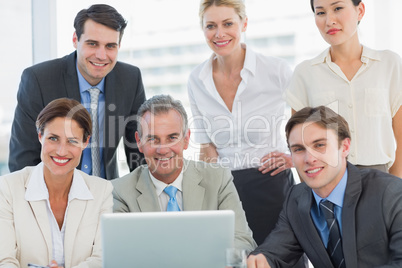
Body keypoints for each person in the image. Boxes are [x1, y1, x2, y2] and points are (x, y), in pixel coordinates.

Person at [187, 0, 296, 246]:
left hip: (273, 184)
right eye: (211, 26)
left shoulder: (275, 70)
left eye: (228, 24)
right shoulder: (197, 79)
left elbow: (309, 125)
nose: (219, 33)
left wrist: (294, 156)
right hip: (226, 189)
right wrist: (210, 201)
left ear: (243, 23)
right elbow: (207, 148)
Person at [247, 106, 402, 268]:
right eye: (298, 149)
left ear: (345, 147)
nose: (309, 158)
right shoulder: (296, 199)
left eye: (319, 145)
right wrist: (259, 260)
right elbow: (274, 252)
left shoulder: (390, 193)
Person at [9, 4, 146, 180]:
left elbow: (139, 150)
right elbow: (23, 161)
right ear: (75, 39)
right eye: (92, 44)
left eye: (110, 46)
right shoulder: (38, 80)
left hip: (107, 195)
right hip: (53, 197)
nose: (101, 55)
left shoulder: (130, 79)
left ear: (119, 45)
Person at [112, 95, 257, 253]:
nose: (163, 150)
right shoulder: (120, 192)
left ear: (186, 139)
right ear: (139, 142)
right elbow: (121, 252)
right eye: (153, 139)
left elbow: (242, 240)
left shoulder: (217, 178)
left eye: (172, 138)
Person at [285, 0, 402, 177]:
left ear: (360, 10)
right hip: (327, 179)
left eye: (338, 8)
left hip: (380, 178)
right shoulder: (305, 73)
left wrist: (394, 183)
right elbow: (301, 145)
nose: (329, 20)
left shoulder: (389, 64)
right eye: (320, 12)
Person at [0, 98, 113, 267]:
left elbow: (102, 259)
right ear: (40, 136)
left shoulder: (102, 191)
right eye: (53, 138)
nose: (61, 151)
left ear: (85, 142)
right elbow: (4, 260)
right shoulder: (7, 188)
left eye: (72, 141)